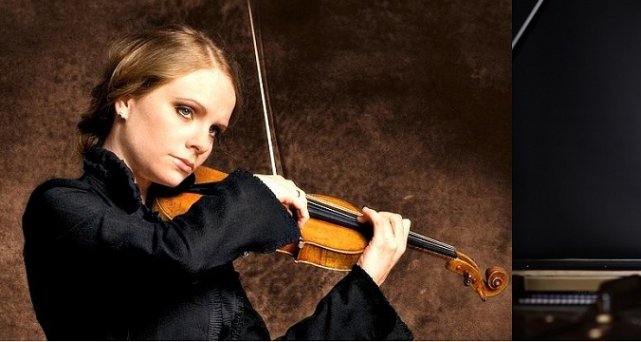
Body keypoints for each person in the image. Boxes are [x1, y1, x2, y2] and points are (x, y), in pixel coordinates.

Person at [22, 25, 413, 340]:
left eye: (215, 130)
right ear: (125, 98)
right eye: (185, 110)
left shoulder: (200, 238)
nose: (200, 143)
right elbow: (169, 255)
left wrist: (367, 280)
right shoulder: (62, 208)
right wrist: (252, 192)